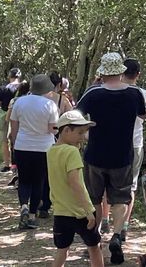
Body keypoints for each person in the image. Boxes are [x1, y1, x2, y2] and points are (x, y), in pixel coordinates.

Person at [76, 52, 146, 265]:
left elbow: (75, 114)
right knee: (120, 198)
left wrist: (87, 132)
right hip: (123, 156)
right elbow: (143, 115)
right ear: (121, 71)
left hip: (96, 155)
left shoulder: (93, 93)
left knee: (95, 198)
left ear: (102, 72)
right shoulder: (135, 94)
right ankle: (116, 236)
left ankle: (95, 238)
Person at [48, 109, 104, 267]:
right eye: (80, 133)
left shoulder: (51, 151)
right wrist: (88, 210)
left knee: (62, 250)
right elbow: (75, 183)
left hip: (60, 212)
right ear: (66, 130)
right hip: (81, 212)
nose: (83, 138)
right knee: (94, 247)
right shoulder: (71, 152)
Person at [10, 73, 59, 229]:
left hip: (22, 146)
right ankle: (32, 216)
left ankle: (23, 205)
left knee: (24, 180)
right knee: (39, 181)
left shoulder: (20, 102)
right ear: (47, 89)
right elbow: (53, 129)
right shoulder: (50, 105)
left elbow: (14, 126)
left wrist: (16, 142)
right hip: (43, 148)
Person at [122, 58, 146, 230]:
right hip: (135, 142)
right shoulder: (143, 94)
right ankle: (124, 224)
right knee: (131, 185)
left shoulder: (112, 91)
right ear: (138, 74)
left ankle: (104, 221)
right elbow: (144, 116)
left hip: (116, 142)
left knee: (109, 183)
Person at [0, 68, 23, 172]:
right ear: (19, 77)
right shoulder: (23, 89)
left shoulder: (3, 89)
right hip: (20, 117)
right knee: (18, 140)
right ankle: (18, 164)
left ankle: (7, 164)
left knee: (5, 141)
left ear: (9, 76)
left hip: (6, 116)